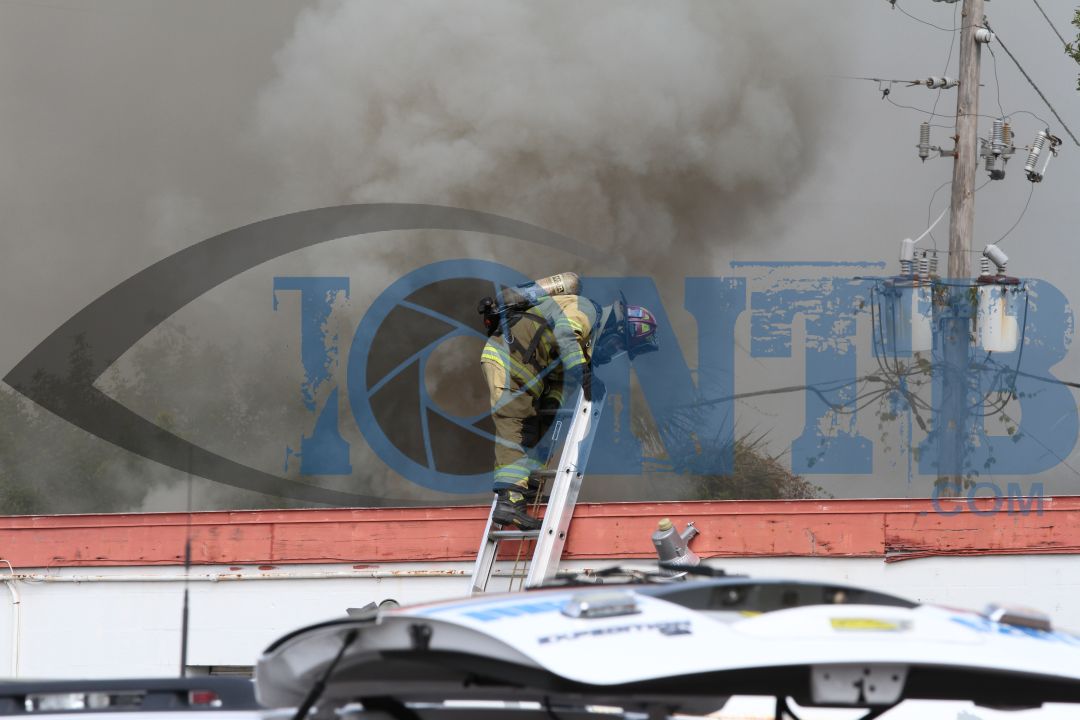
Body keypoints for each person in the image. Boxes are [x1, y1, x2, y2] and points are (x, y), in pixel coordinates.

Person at [479, 286, 659, 529]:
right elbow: (565, 335)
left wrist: (553, 406)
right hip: (507, 360)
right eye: (618, 345)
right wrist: (583, 372)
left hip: (525, 372)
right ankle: (509, 501)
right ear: (616, 326)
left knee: (536, 429)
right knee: (514, 423)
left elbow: (561, 378)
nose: (613, 351)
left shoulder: (584, 346)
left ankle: (527, 489)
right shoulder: (587, 309)